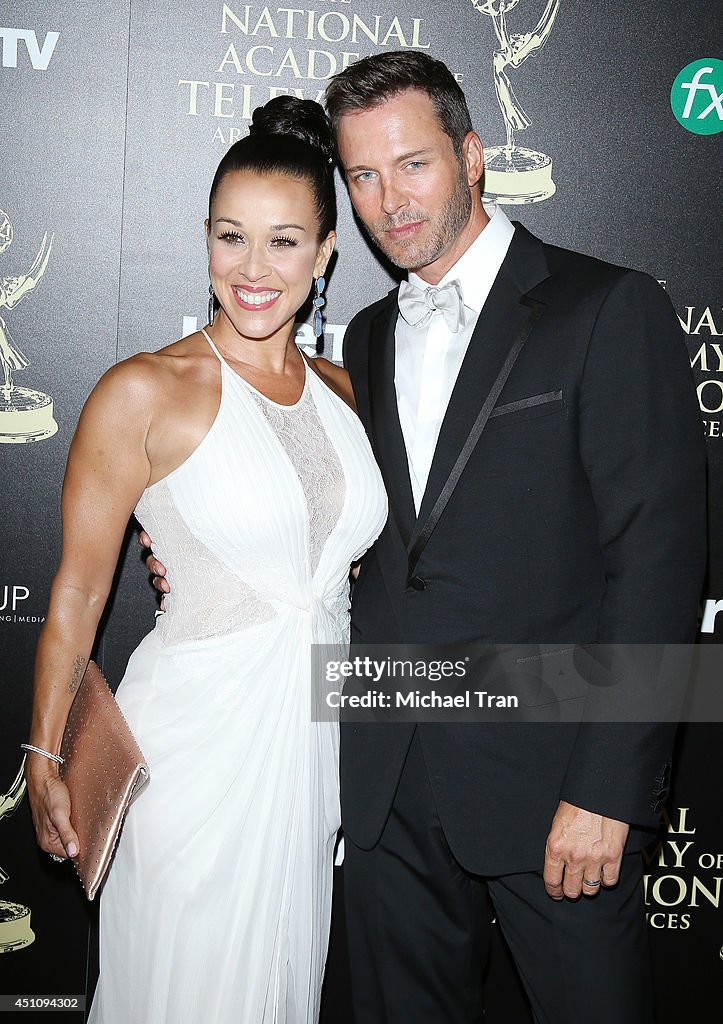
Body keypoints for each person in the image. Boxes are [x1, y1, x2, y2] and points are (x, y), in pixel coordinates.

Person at [144, 52, 706, 1023]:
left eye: (412, 165)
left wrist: (611, 789)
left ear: (473, 155)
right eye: (361, 176)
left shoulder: (605, 307)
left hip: (554, 792)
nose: (388, 201)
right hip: (388, 784)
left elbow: (657, 559)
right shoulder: (360, 339)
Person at [23, 96, 387, 1024]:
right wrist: (42, 752)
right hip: (189, 757)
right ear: (204, 240)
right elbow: (78, 587)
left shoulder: (353, 396)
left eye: (283, 242)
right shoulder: (144, 390)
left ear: (326, 252)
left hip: (312, 755)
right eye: (232, 238)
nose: (253, 270)